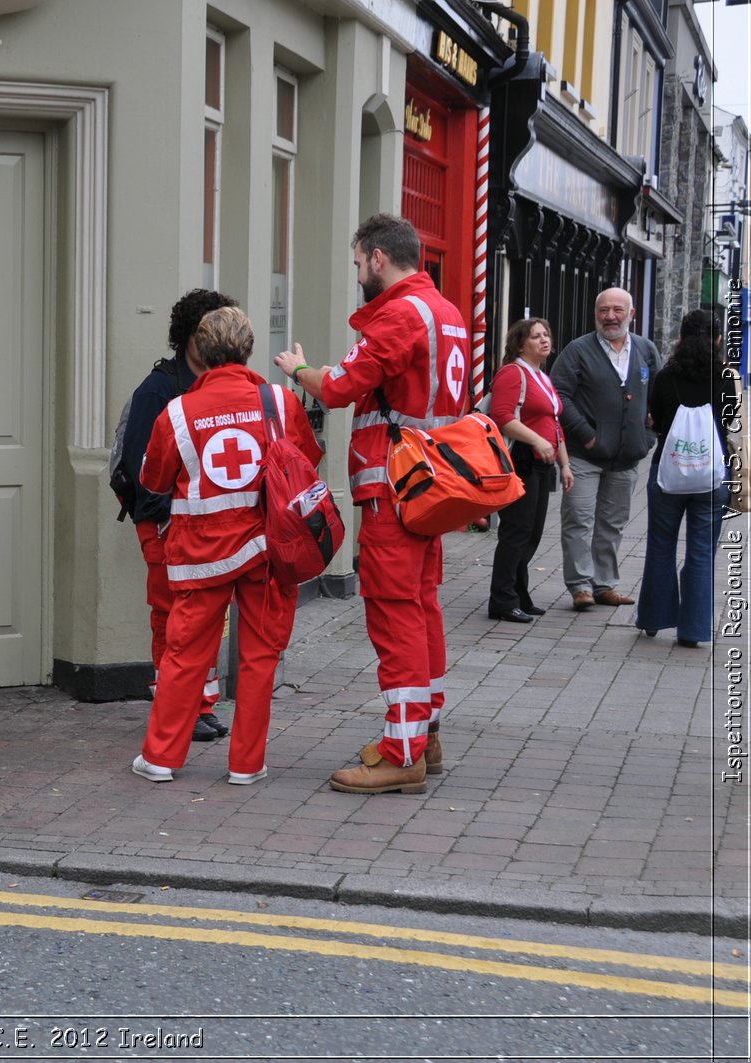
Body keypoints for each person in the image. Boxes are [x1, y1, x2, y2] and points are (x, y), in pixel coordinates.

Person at [274, 213, 469, 794]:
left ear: (379, 258)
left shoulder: (400, 314)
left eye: (358, 263)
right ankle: (424, 734)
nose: (358, 274)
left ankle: (401, 752)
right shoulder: (447, 313)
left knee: (393, 612)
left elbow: (339, 388)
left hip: (392, 487)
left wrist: (298, 369)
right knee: (423, 604)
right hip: (432, 485)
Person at [132, 307, 321, 785]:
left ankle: (160, 759)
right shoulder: (279, 402)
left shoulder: (177, 411)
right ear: (249, 348)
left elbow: (152, 480)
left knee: (184, 655)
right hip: (267, 551)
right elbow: (306, 460)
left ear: (202, 350)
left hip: (202, 555)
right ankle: (246, 765)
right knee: (259, 659)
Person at [120, 289, 238, 744]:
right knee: (171, 617)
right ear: (189, 336)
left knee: (206, 619)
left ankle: (199, 705)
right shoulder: (157, 390)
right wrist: (167, 523)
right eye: (207, 332)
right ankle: (179, 707)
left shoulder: (223, 386)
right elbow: (139, 467)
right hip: (165, 524)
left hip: (209, 527)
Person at [550, 287, 661, 611]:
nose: (610, 316)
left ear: (631, 314)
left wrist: (647, 437)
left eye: (617, 310)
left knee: (612, 523)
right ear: (595, 314)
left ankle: (605, 585)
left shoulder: (646, 350)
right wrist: (586, 435)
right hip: (584, 456)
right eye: (603, 310)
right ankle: (581, 586)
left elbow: (658, 397)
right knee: (579, 521)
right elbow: (559, 395)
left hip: (626, 458)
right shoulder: (577, 351)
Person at [634, 308, 735, 647]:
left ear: (680, 337)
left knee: (660, 545)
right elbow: (732, 427)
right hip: (712, 476)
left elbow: (658, 422)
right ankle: (693, 630)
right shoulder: (726, 378)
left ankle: (652, 618)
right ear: (718, 339)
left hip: (669, 473)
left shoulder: (666, 377)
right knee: (702, 551)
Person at [485, 318, 574, 622]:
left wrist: (565, 464)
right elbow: (501, 415)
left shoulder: (542, 376)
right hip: (521, 459)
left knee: (533, 532)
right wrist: (537, 441)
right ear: (520, 344)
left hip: (543, 463)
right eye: (536, 337)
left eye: (546, 334)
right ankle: (502, 599)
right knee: (516, 531)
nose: (544, 340)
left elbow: (555, 422)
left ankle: (519, 594)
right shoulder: (513, 373)